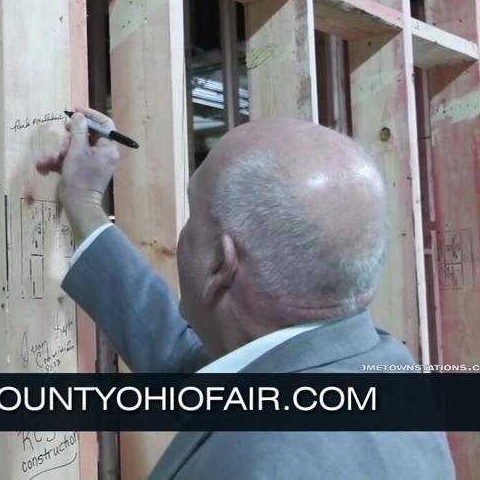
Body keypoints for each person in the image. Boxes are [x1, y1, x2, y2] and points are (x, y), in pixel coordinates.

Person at [37, 107, 454, 479]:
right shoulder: (378, 369)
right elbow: (191, 367)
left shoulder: (264, 462)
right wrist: (85, 203)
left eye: (192, 214)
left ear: (221, 262)